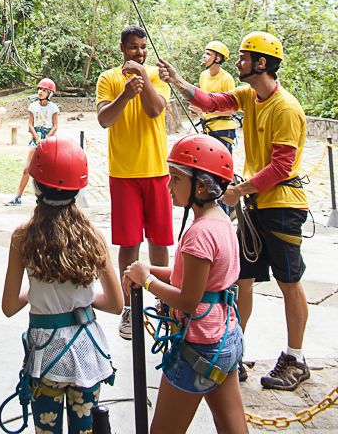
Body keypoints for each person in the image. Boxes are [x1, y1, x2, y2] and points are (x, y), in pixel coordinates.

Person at [160, 32, 310, 391]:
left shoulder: (286, 109)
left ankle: (296, 357)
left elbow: (282, 166)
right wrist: (177, 80)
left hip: (282, 206)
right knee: (241, 280)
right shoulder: (248, 96)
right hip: (255, 204)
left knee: (289, 282)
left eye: (244, 57)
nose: (238, 62)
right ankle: (232, 347)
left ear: (261, 63)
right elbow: (211, 102)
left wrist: (238, 190)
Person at [124, 135, 247, 434]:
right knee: (232, 426)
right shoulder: (221, 221)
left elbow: (189, 299)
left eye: (176, 179)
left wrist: (147, 281)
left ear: (201, 187)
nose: (168, 186)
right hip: (225, 338)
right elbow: (192, 277)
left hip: (199, 346)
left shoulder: (199, 234)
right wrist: (149, 269)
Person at [0, 138, 122, 434]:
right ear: (78, 189)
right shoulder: (93, 236)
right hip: (87, 352)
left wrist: (35, 292)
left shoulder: (23, 238)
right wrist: (83, 299)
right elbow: (116, 304)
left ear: (36, 187)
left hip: (47, 357)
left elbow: (9, 306)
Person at [96, 25, 173, 340]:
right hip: (123, 174)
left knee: (159, 242)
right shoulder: (108, 79)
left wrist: (143, 76)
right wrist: (126, 94)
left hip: (157, 171)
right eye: (132, 47)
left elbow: (155, 110)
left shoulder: (156, 76)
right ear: (122, 48)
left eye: (142, 47)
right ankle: (130, 308)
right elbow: (104, 119)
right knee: (129, 244)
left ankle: (165, 304)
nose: (138, 52)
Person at [6, 78, 60, 206]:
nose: (40, 92)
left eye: (44, 90)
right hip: (36, 139)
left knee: (49, 170)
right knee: (27, 168)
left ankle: (51, 198)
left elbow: (55, 126)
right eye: (40, 89)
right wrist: (37, 139)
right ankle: (18, 197)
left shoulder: (53, 108)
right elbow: (30, 125)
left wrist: (46, 140)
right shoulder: (33, 106)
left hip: (49, 140)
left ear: (50, 93)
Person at [191, 41, 238, 152]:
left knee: (221, 162)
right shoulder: (203, 76)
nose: (204, 56)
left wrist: (204, 109)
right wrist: (195, 110)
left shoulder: (227, 79)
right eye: (204, 53)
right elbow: (204, 101)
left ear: (218, 58)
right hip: (207, 127)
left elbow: (230, 110)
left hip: (223, 130)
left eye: (208, 54)